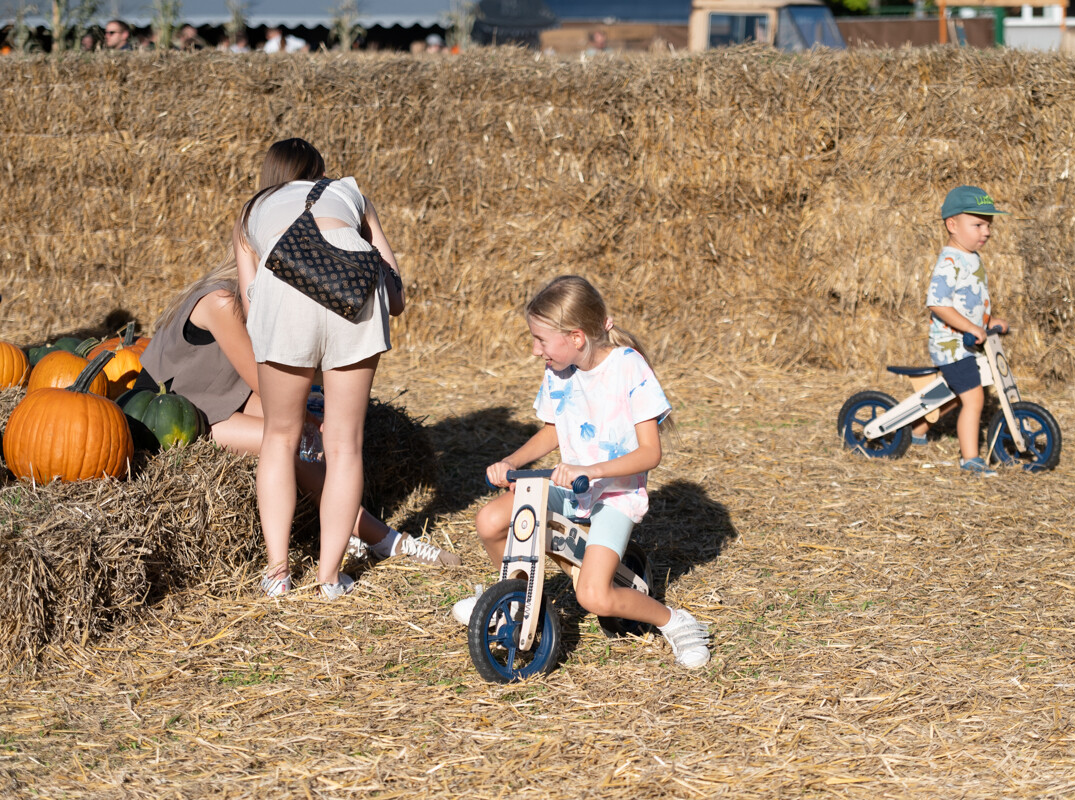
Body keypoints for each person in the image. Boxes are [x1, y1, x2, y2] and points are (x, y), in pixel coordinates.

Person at [133, 249, 460, 593]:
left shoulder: (250, 299)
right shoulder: (221, 301)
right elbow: (263, 382)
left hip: (217, 399)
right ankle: (385, 538)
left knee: (301, 436)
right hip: (175, 419)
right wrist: (312, 424)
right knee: (290, 446)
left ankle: (346, 532)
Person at [451, 275, 711, 669]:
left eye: (541, 340)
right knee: (490, 521)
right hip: (574, 487)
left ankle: (676, 622)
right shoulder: (559, 370)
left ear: (575, 337)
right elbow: (555, 428)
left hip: (614, 496)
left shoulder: (627, 367)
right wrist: (513, 462)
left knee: (594, 596)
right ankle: (517, 599)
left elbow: (649, 453)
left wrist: (591, 468)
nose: (536, 350)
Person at [234, 138, 454, 599]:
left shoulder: (250, 212)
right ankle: (330, 578)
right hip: (355, 296)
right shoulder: (351, 193)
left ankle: (277, 574)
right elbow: (395, 299)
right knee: (344, 444)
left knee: (279, 437)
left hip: (284, 292)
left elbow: (254, 312)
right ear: (320, 171)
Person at [910, 186, 1009, 477]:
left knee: (952, 396)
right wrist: (971, 327)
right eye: (978, 224)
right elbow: (938, 304)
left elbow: (970, 305)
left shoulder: (971, 258)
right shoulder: (950, 261)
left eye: (989, 225)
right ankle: (970, 459)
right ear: (952, 225)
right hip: (951, 344)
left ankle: (917, 429)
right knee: (974, 398)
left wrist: (987, 324)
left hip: (965, 340)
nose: (986, 231)